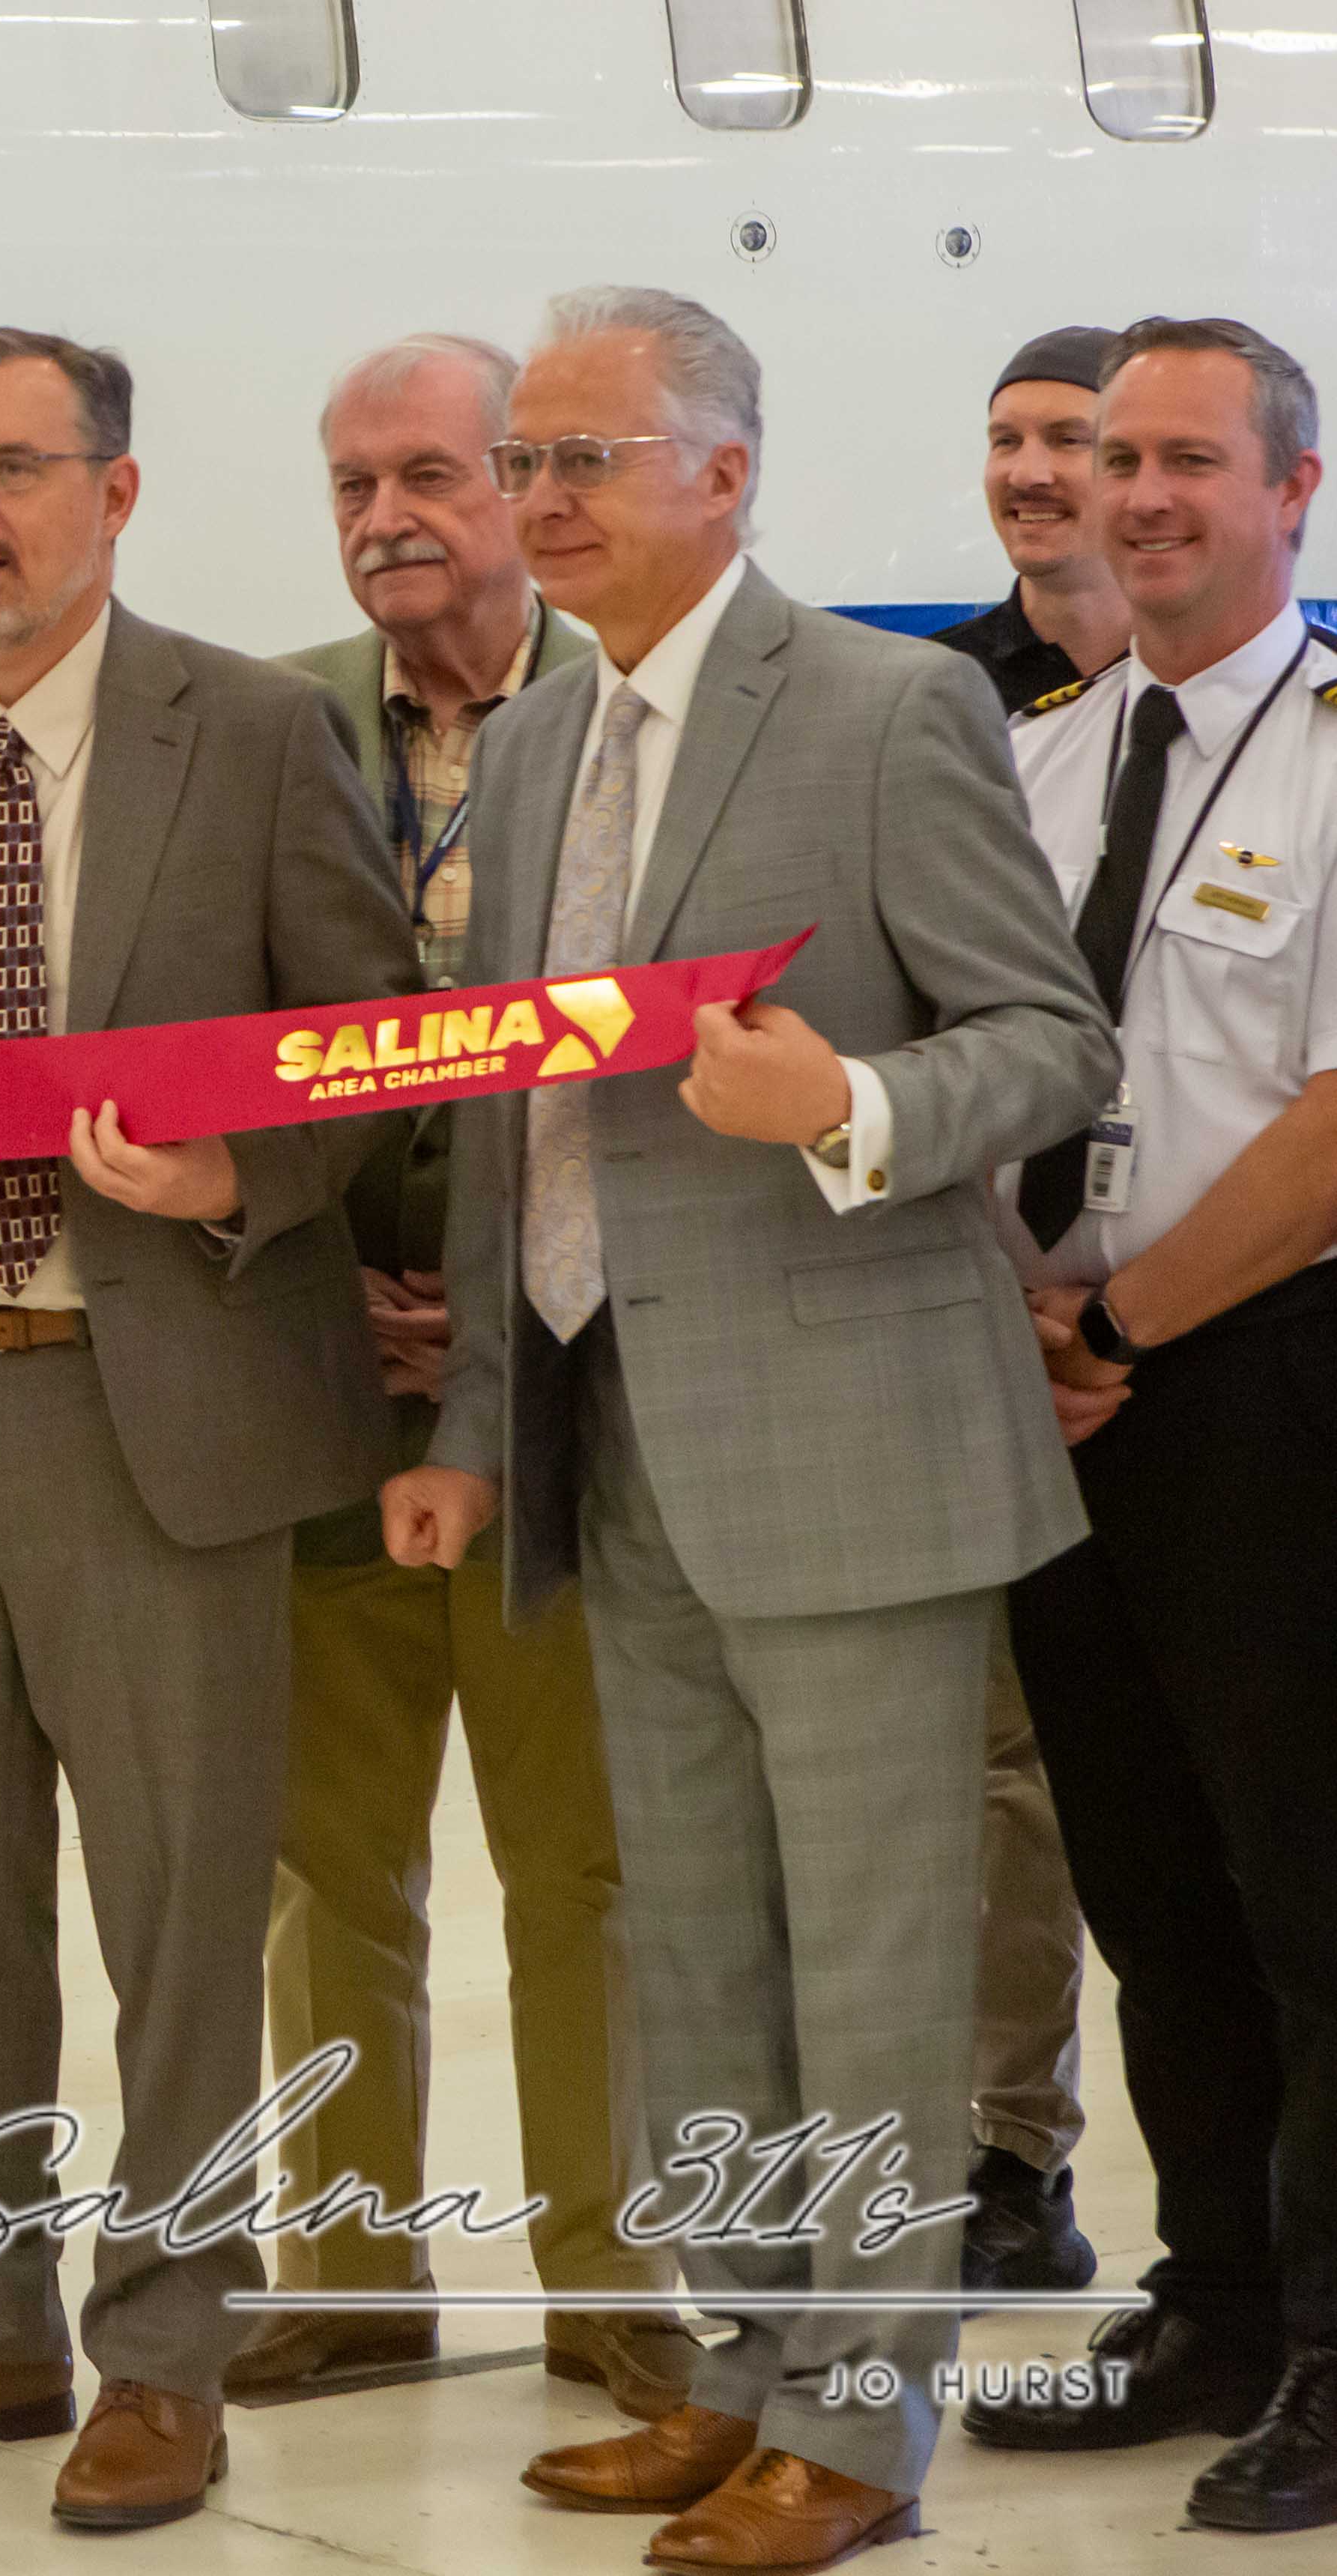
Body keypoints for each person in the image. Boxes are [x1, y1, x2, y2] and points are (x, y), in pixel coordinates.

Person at [383, 286, 1112, 2573]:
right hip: (619, 1436)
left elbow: (1049, 1039)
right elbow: (525, 1142)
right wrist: (487, 1427)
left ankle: (863, 2435)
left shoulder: (886, 711)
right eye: (525, 460)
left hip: (857, 1448)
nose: (541, 499)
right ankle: (732, 2369)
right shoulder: (527, 747)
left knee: (881, 1973)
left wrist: (859, 1105)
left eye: (588, 455)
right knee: (693, 1952)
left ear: (726, 469)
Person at [0, 324, 416, 2533]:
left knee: (182, 1925)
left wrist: (238, 1184)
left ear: (115, 494)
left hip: (165, 1427)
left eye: (13, 468)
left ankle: (169, 2348)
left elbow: (374, 1043)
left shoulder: (258, 731)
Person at [242, 332, 692, 2422]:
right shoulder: (263, 727)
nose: (380, 518)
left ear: (517, 484)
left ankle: (611, 2271)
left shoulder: (627, 723)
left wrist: (495, 1312)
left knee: (576, 1857)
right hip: (313, 1374)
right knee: (320, 1856)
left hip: (555, 1382)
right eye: (348, 484)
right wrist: (314, 1284)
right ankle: (339, 2275)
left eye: (423, 472)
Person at [963, 315, 1337, 2537]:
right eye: (1118, 459)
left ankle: (1333, 2336)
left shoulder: (1328, 747)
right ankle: (1207, 2301)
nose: (1141, 496)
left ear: (1292, 490)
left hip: (1271, 1383)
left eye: (1192, 458)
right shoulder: (1037, 760)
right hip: (1063, 1402)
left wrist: (1119, 1317)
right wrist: (1036, 1321)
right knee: (1149, 1885)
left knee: (1312, 1890)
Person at [923, 326, 1125, 2303]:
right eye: (1005, 440)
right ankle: (1005, 2150)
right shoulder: (930, 698)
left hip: (1204, 1305)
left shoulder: (1254, 708)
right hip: (989, 1306)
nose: (1034, 471)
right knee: (996, 1766)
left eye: (1065, 438)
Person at [932, 328, 1132, 717]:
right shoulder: (932, 687)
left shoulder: (1206, 677)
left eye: (1068, 440)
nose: (1026, 475)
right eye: (1006, 441)